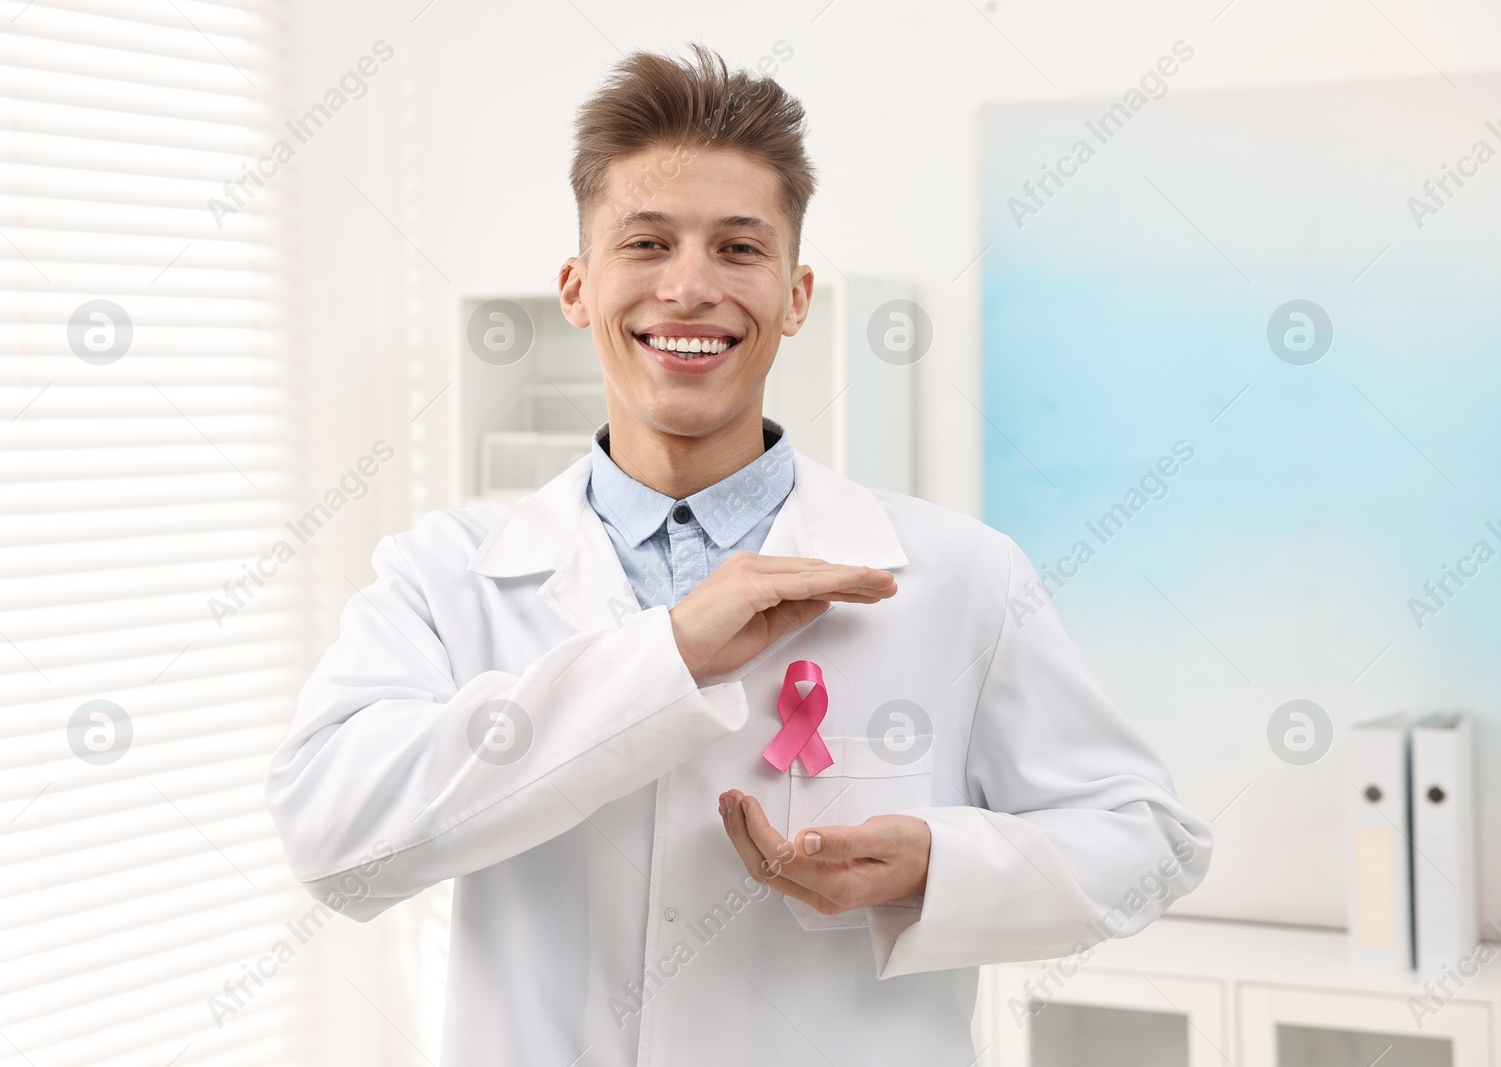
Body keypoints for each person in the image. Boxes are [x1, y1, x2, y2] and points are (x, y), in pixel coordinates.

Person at [265, 44, 1211, 1066]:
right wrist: (664, 656)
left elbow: (1147, 839)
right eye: (646, 242)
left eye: (738, 248)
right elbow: (332, 839)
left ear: (796, 296)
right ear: (577, 287)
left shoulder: (960, 573)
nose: (688, 287)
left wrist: (935, 864)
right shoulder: (445, 574)